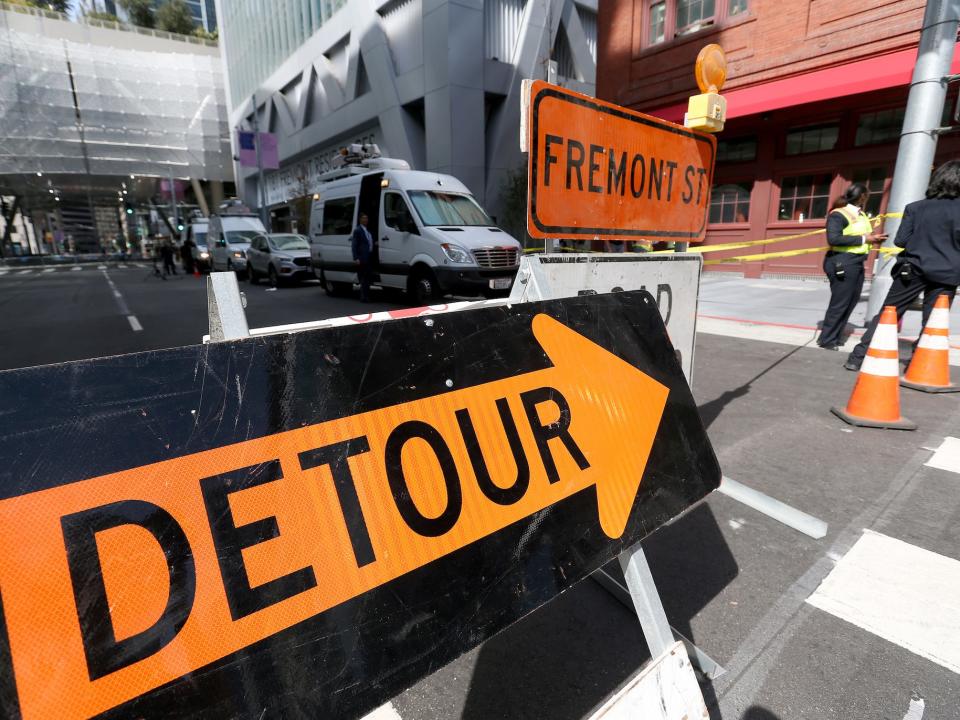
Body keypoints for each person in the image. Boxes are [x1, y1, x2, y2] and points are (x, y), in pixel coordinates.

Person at [845, 160, 960, 371]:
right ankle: (919, 364)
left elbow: (900, 241)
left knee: (889, 313)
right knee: (933, 322)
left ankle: (858, 357)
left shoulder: (915, 208)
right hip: (947, 272)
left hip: (912, 269)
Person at [816, 184, 886, 350]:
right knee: (840, 302)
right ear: (862, 196)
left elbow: (861, 235)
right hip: (842, 261)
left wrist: (873, 238)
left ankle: (836, 335)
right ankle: (827, 339)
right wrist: (865, 239)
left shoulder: (860, 214)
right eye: (867, 196)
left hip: (856, 262)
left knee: (851, 301)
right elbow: (833, 239)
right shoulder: (838, 214)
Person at [351, 212, 375, 302]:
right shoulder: (358, 231)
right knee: (364, 278)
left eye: (366, 218)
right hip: (362, 258)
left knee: (368, 278)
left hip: (368, 257)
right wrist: (356, 258)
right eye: (364, 218)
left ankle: (366, 295)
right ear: (360, 220)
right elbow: (354, 245)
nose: (365, 220)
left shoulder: (367, 231)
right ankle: (364, 297)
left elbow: (368, 242)